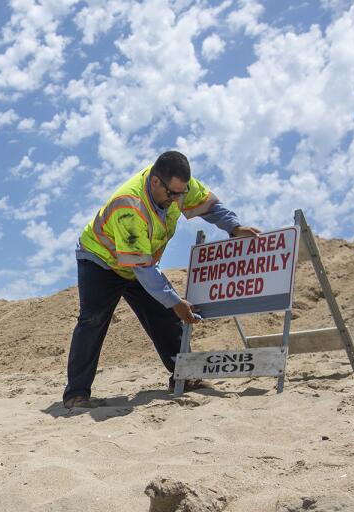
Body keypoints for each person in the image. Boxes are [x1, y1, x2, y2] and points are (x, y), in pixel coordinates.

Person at [63, 151, 260, 410]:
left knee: (163, 316)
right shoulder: (129, 206)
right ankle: (76, 395)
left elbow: (209, 206)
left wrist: (234, 227)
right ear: (155, 182)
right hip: (101, 260)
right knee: (93, 320)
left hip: (138, 262)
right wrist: (175, 301)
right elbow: (144, 269)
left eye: (182, 193)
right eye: (173, 194)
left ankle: (184, 375)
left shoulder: (178, 187)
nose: (178, 200)